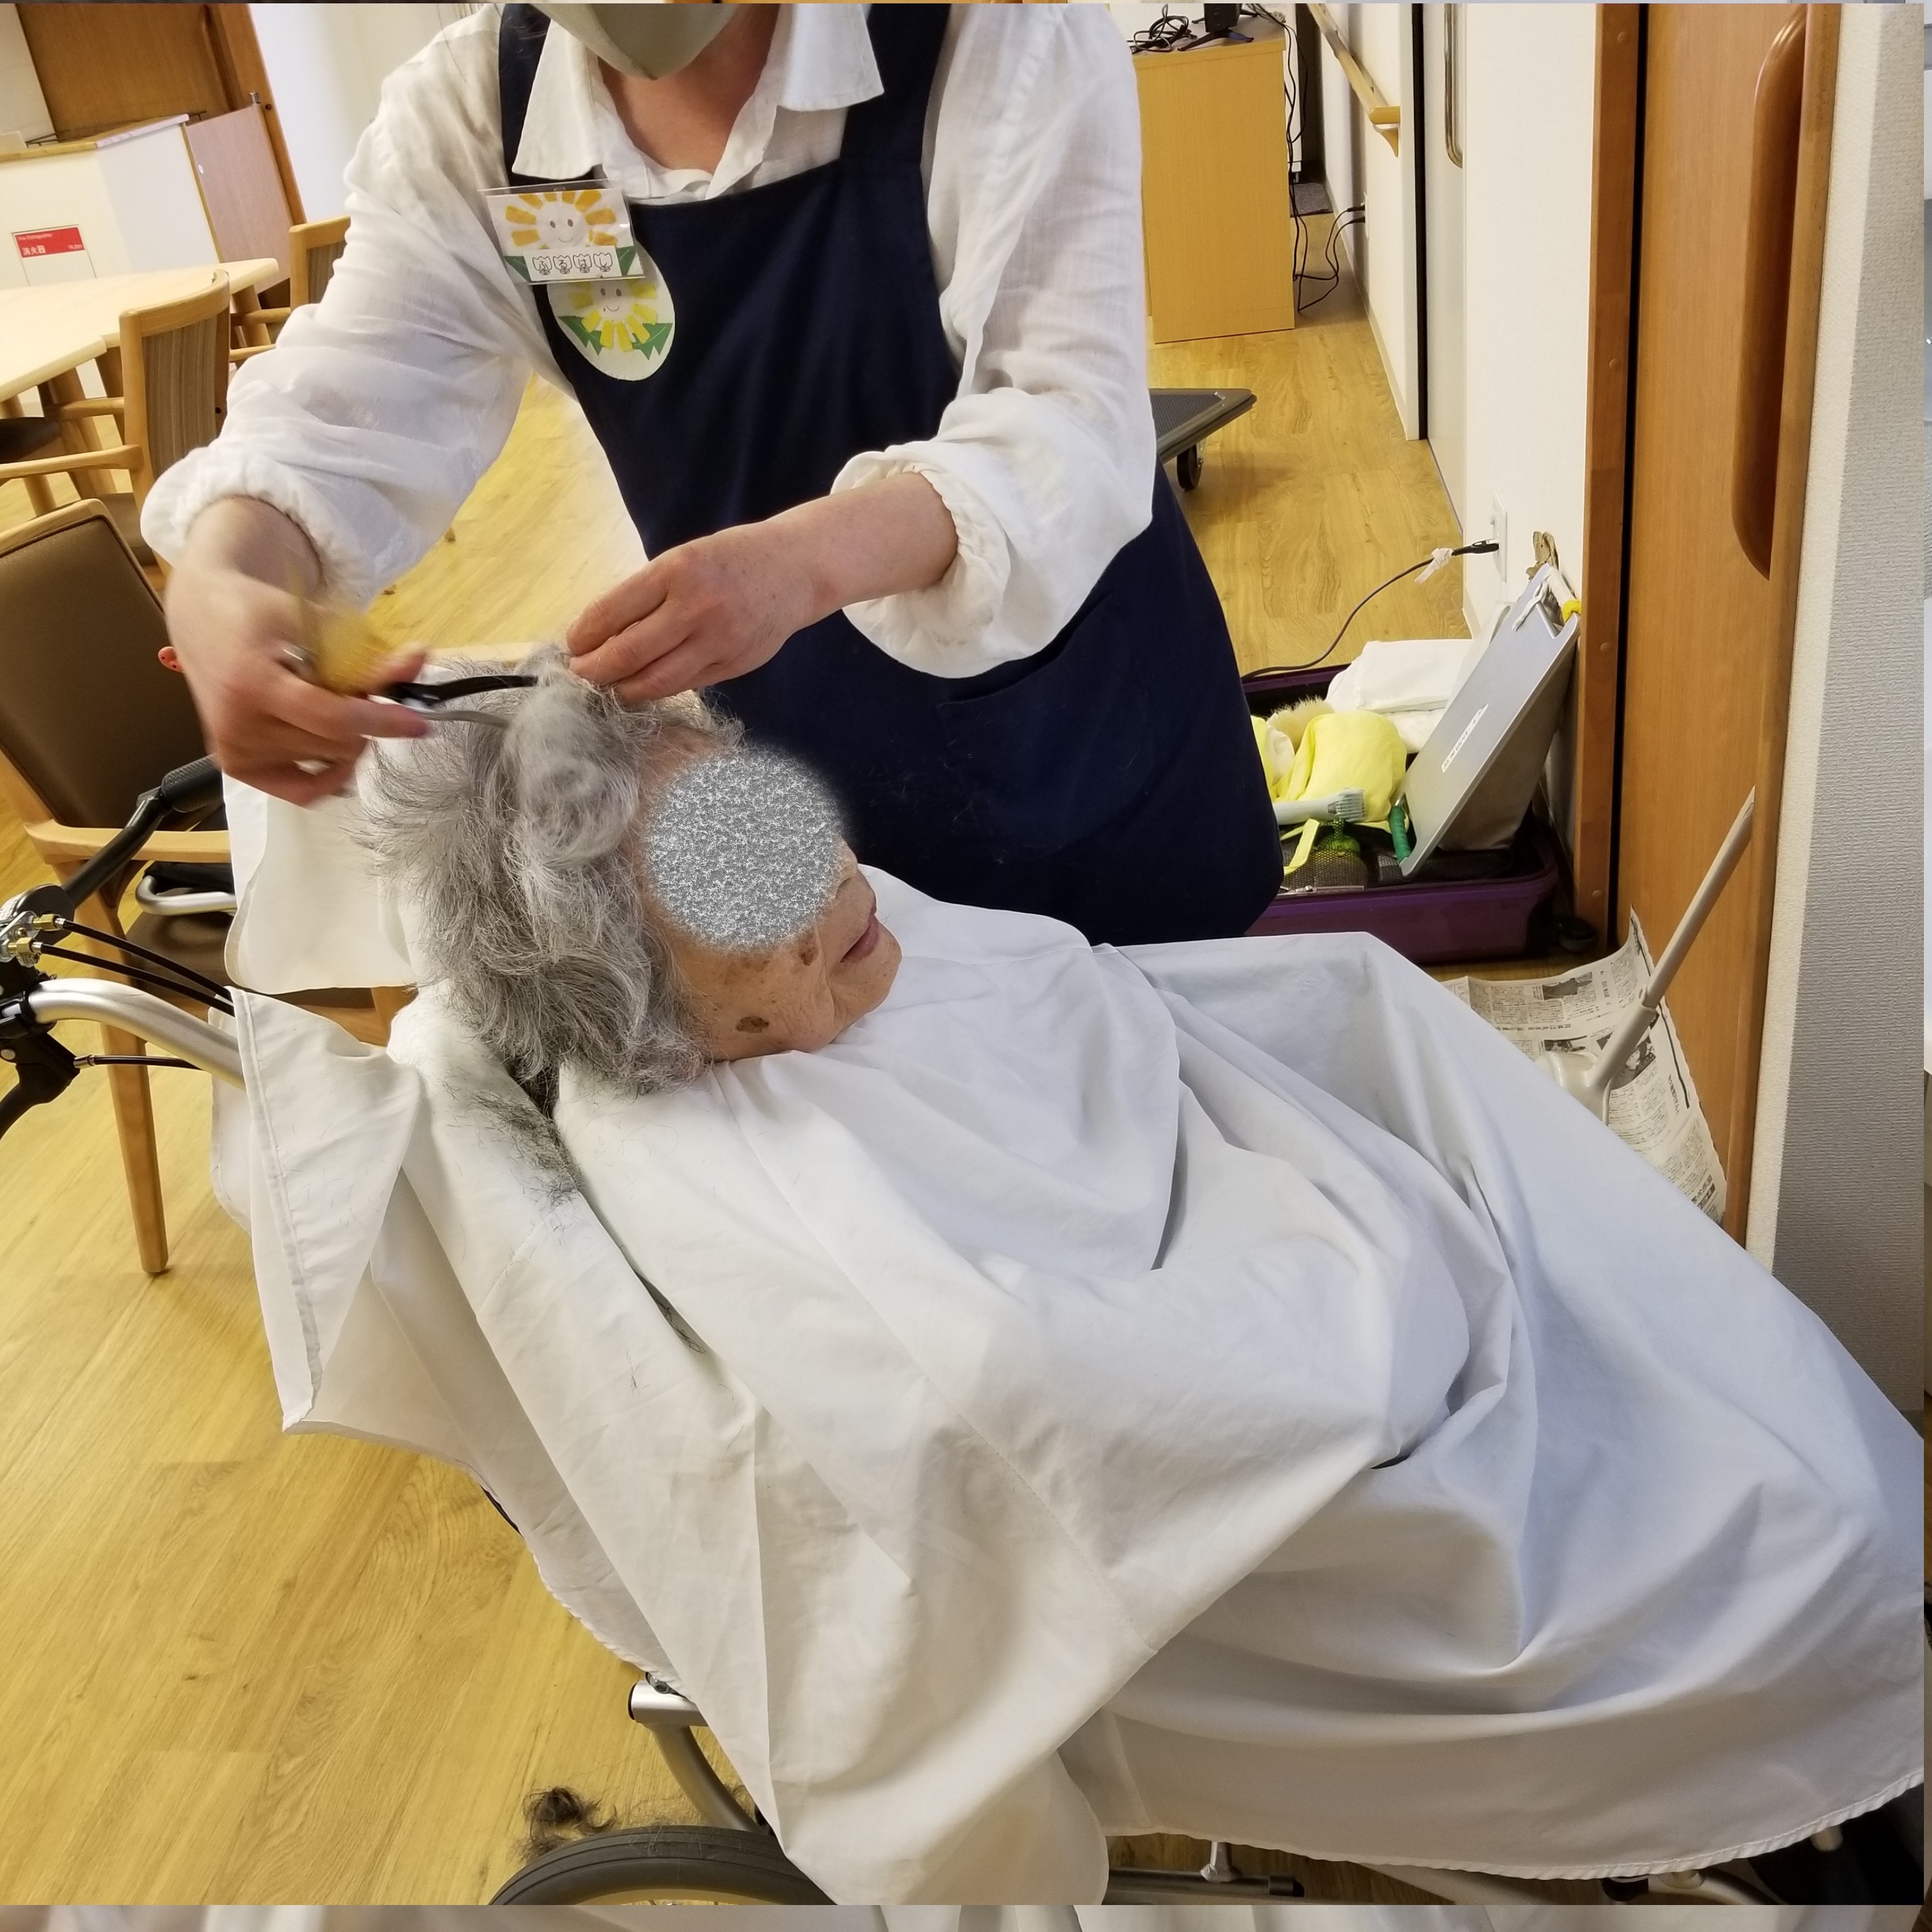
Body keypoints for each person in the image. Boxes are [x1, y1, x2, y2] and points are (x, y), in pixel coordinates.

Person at [320, 661, 1921, 1903]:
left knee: (1752, 1417)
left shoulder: (810, 933)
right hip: (1341, 1393)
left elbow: (1094, 1011)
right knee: (1782, 1534)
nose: (839, 898)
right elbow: (1032, 1398)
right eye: (768, 934)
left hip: (1307, 1207)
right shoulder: (769, 1191)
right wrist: (1371, 1263)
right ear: (686, 1045)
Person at [146, 1, 1283, 949]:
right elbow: (339, 409)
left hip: (1082, 730)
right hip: (782, 750)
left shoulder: (997, 35)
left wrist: (802, 564)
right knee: (868, 1053)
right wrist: (226, 573)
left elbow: (1067, 422)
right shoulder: (476, 121)